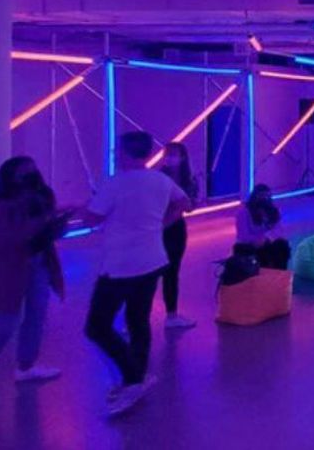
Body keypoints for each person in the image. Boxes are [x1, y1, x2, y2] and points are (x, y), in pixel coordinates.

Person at [81, 131, 191, 416]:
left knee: (97, 326)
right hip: (152, 261)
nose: (116, 155)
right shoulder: (160, 180)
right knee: (138, 320)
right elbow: (184, 202)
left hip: (120, 266)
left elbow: (92, 218)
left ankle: (133, 377)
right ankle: (136, 376)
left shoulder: (115, 184)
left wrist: (80, 207)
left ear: (128, 153)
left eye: (119, 151)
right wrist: (161, 224)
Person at [0, 157, 67, 392]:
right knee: (6, 322)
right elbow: (2, 239)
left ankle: (26, 367)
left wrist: (57, 223)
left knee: (36, 318)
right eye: (24, 171)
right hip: (7, 268)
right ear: (10, 177)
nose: (31, 173)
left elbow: (46, 231)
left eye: (33, 169)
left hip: (39, 264)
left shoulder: (42, 197)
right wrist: (43, 223)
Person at [158, 142, 198, 330]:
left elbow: (190, 206)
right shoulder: (156, 178)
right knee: (146, 274)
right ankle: (133, 317)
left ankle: (171, 315)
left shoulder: (189, 180)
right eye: (168, 154)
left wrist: (173, 213)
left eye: (174, 154)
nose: (170, 158)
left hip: (174, 231)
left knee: (171, 273)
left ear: (182, 157)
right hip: (155, 228)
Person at [235, 185, 291, 270]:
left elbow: (278, 231)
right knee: (262, 252)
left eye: (268, 197)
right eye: (262, 196)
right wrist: (257, 239)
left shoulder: (273, 211)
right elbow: (243, 235)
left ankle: (279, 275)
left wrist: (267, 237)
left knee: (282, 246)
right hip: (247, 245)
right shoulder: (244, 211)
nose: (265, 199)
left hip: (267, 242)